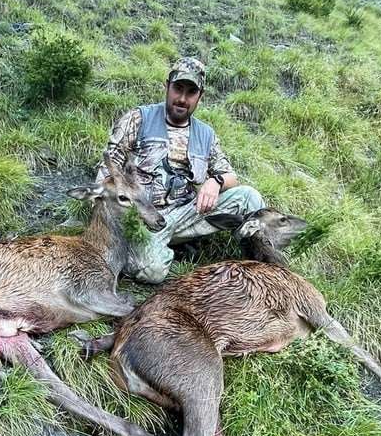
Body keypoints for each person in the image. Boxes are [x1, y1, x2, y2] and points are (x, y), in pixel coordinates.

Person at [98, 56, 265, 284]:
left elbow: (230, 176)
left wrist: (215, 181)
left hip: (185, 214)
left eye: (191, 92)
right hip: (142, 217)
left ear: (200, 96)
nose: (182, 99)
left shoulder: (206, 134)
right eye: (178, 88)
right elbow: (107, 173)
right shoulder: (138, 119)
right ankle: (166, 251)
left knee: (250, 198)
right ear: (167, 86)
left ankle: (262, 266)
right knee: (151, 271)